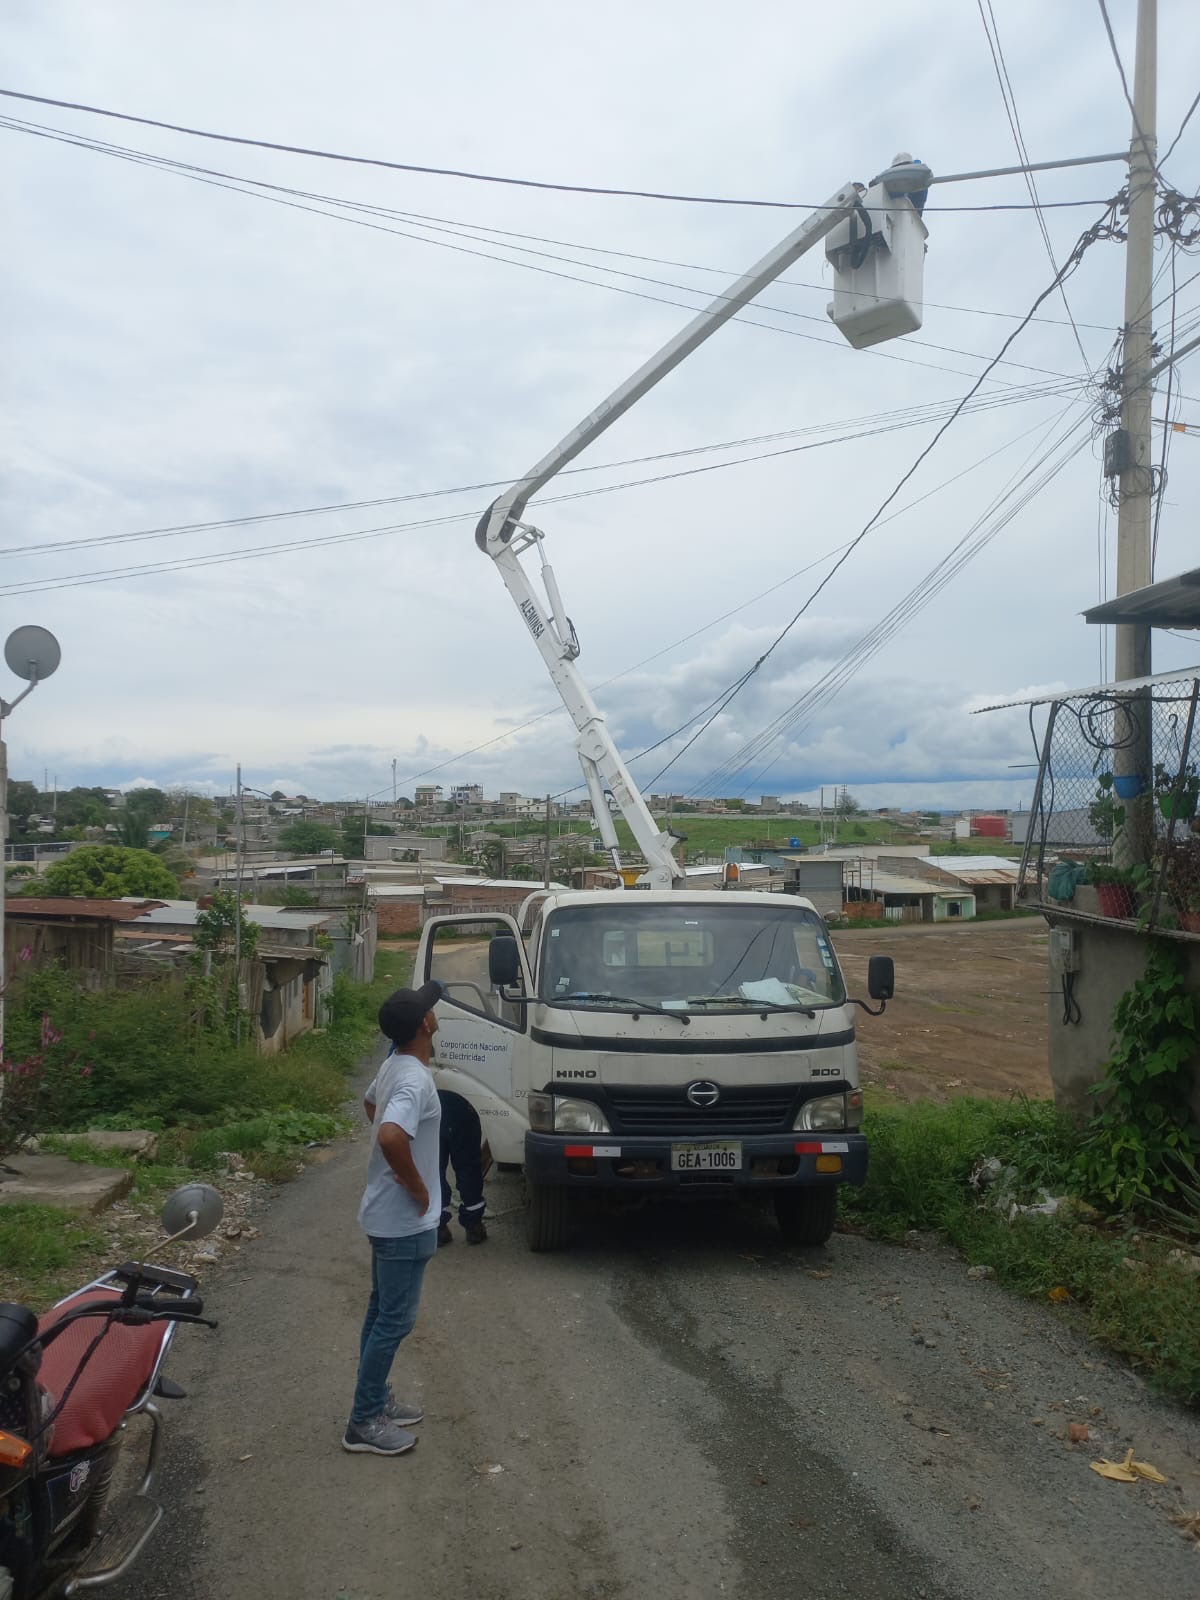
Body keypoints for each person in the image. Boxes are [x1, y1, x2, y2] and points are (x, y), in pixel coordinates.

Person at [342, 982, 442, 1457]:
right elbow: (389, 1135)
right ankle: (363, 1421)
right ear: (425, 1024)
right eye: (430, 1009)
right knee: (394, 1321)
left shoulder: (394, 1065)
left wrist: (398, 1165)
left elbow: (370, 1104)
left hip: (385, 1216)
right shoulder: (414, 1079)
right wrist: (417, 1185)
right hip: (403, 1222)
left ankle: (375, 1399)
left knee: (380, 1313)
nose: (435, 1013)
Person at [437, 1090, 487, 1246]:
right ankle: (474, 1226)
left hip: (430, 1104)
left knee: (433, 1169)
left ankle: (438, 1227)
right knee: (468, 1167)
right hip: (463, 1102)